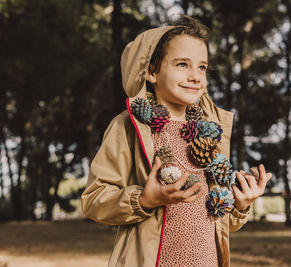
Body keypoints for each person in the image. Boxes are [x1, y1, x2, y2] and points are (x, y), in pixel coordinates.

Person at [81, 15, 272, 267]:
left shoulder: (209, 134)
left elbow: (215, 220)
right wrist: (144, 199)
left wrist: (240, 205)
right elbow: (94, 199)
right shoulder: (128, 126)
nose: (195, 76)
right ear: (150, 71)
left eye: (202, 67)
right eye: (183, 64)